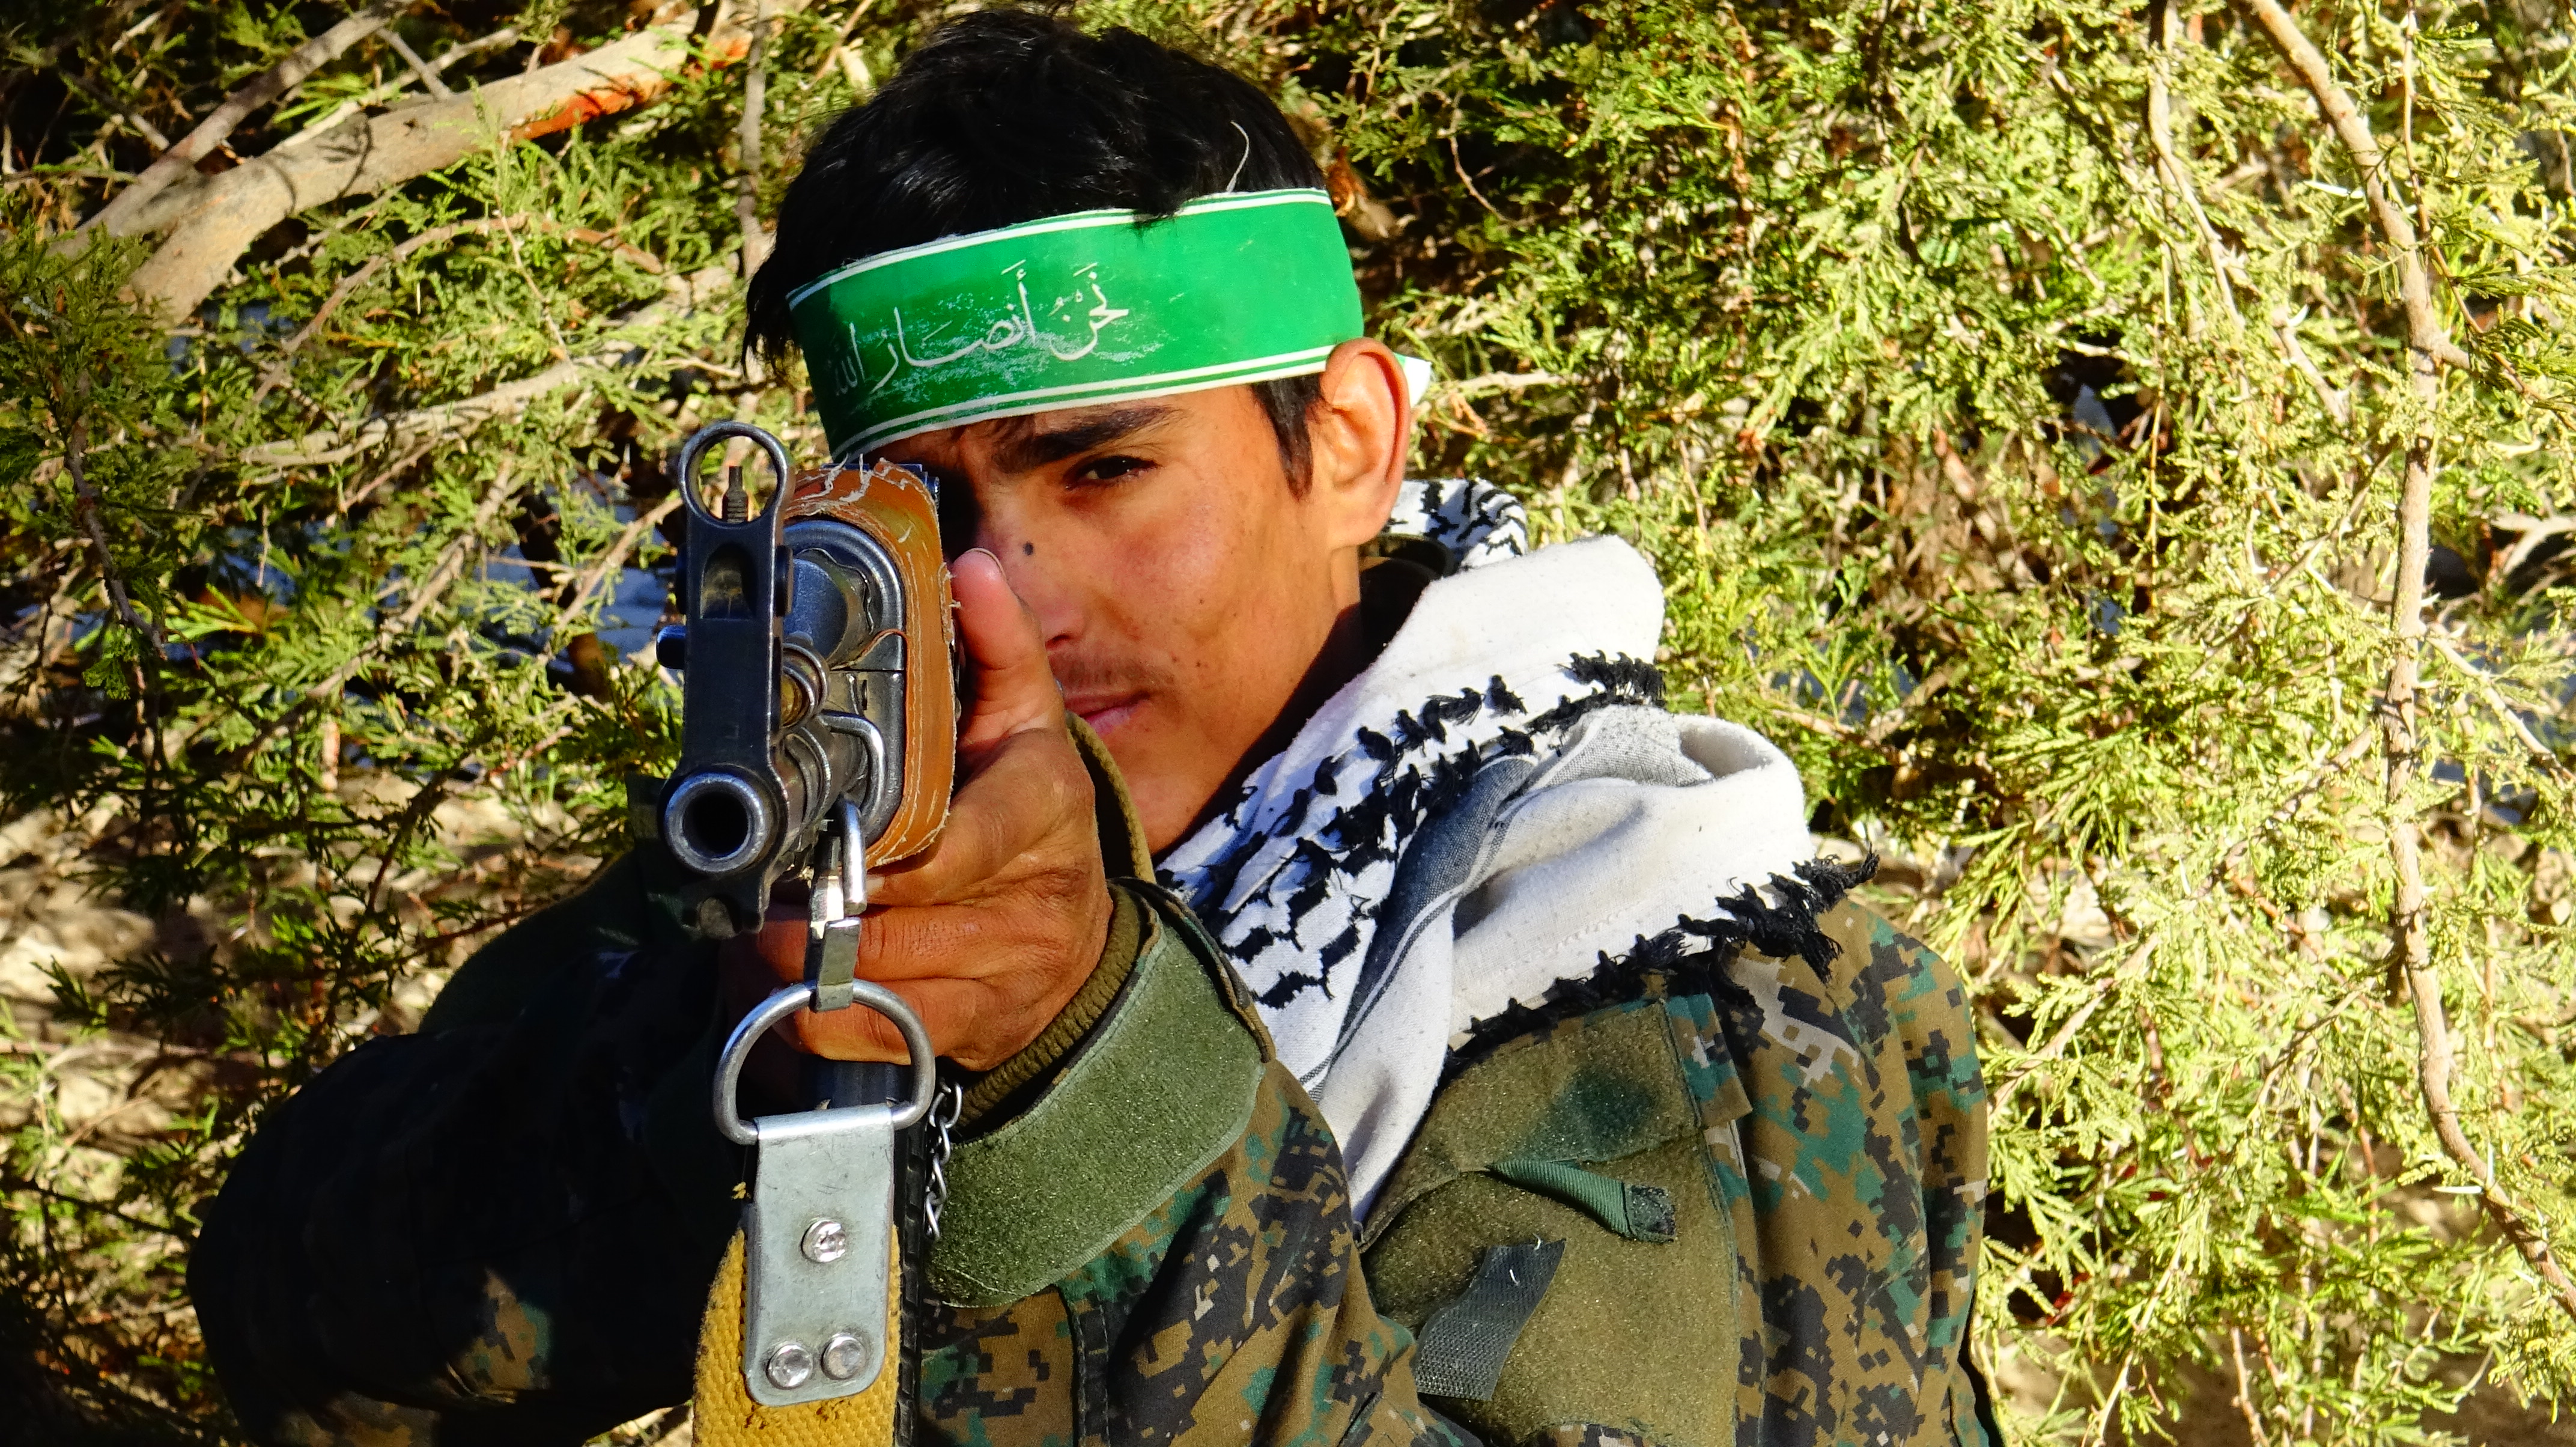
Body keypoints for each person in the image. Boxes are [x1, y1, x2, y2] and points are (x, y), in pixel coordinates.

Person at [192, 13, 1996, 1446]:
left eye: (1106, 472)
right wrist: (732, 1079)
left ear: (1348, 445)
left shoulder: (1678, 969)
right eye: (926, 514)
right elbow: (304, 1332)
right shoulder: (883, 843)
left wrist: (1079, 1066)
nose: (1011, 594)